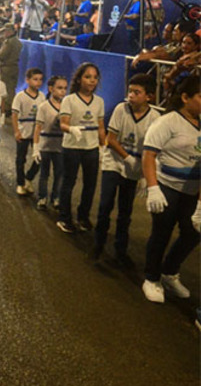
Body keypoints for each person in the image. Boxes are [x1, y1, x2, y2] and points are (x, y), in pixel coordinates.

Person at [141, 76, 200, 303]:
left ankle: (169, 271)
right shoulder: (168, 122)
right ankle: (151, 277)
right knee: (161, 233)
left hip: (193, 191)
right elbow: (149, 155)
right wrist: (153, 187)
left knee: (193, 233)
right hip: (167, 187)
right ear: (185, 98)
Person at [94, 73, 160, 263]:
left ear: (149, 96)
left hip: (134, 169)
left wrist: (147, 176)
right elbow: (111, 139)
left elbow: (153, 149)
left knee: (125, 211)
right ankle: (98, 245)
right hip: (113, 162)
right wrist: (128, 157)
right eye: (130, 91)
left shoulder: (155, 118)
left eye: (137, 92)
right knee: (105, 205)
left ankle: (120, 250)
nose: (131, 95)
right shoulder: (121, 110)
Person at [56, 63, 106, 234]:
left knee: (90, 184)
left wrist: (103, 147)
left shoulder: (99, 102)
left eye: (95, 77)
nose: (92, 81)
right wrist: (71, 129)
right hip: (72, 147)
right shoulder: (69, 100)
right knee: (69, 182)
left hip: (91, 148)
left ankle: (83, 216)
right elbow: (63, 123)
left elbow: (101, 127)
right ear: (79, 79)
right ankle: (64, 217)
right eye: (87, 77)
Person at [32, 76, 67, 210]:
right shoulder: (44, 107)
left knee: (59, 173)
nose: (63, 91)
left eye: (65, 88)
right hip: (45, 146)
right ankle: (42, 197)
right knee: (44, 174)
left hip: (60, 146)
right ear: (51, 89)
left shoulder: (66, 106)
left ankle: (56, 197)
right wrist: (36, 147)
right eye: (59, 88)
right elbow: (38, 128)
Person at [12, 68, 44, 196]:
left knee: (39, 158)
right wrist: (16, 131)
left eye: (40, 79)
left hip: (36, 134)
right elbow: (14, 115)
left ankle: (28, 178)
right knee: (21, 159)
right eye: (35, 79)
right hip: (23, 132)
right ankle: (20, 183)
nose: (38, 82)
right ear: (27, 80)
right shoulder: (20, 96)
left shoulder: (42, 97)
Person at [0, 23, 22, 117]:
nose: (4, 34)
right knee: (12, 88)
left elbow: (2, 55)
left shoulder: (8, 42)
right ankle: (11, 107)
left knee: (6, 89)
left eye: (5, 31)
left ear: (9, 32)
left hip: (6, 67)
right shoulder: (18, 42)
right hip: (14, 67)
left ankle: (7, 108)